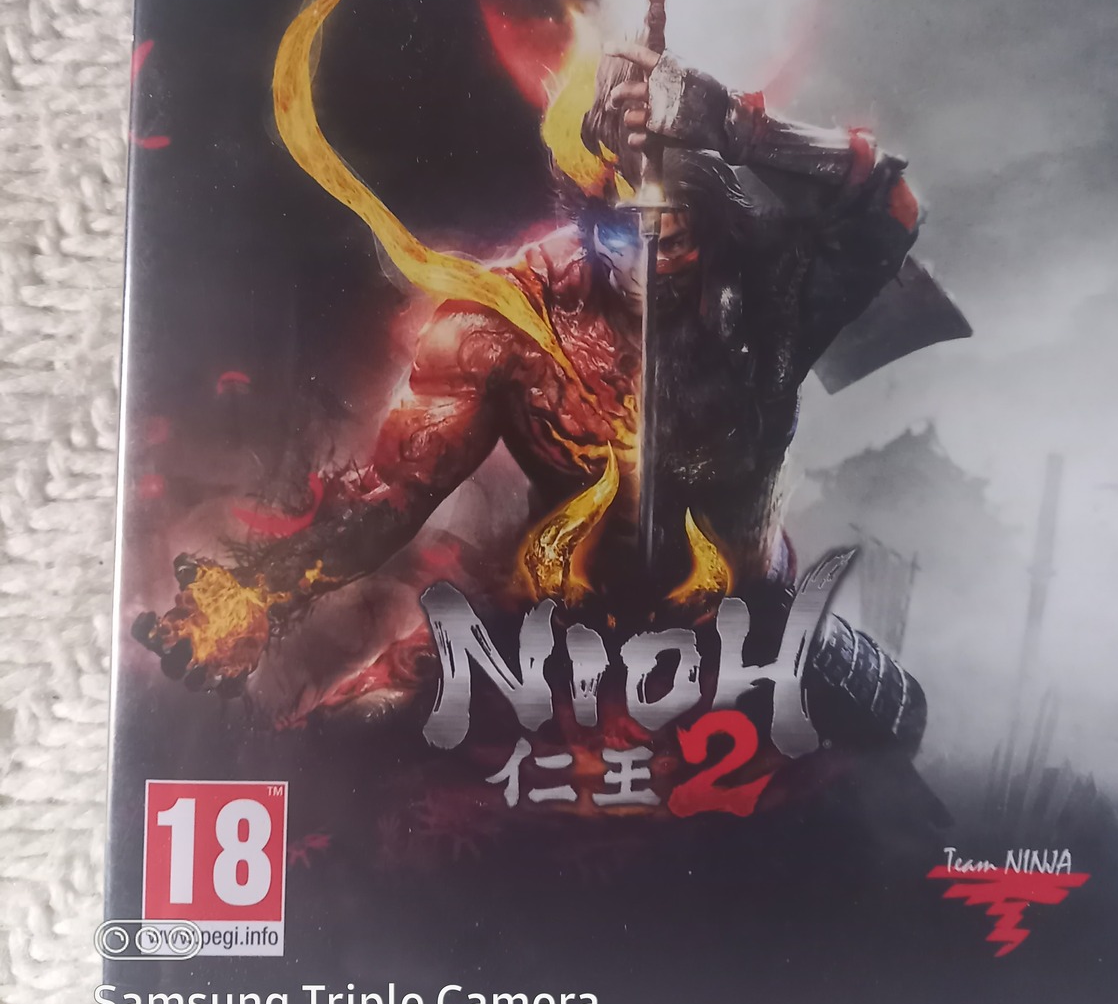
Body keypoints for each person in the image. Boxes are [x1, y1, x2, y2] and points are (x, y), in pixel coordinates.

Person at [135, 40, 921, 695]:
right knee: (367, 731)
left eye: (682, 232)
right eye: (632, 231)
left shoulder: (764, 289)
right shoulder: (506, 318)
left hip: (757, 626)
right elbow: (390, 496)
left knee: (887, 741)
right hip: (551, 643)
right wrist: (260, 593)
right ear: (589, 209)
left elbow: (889, 207)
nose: (657, 257)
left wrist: (740, 127)